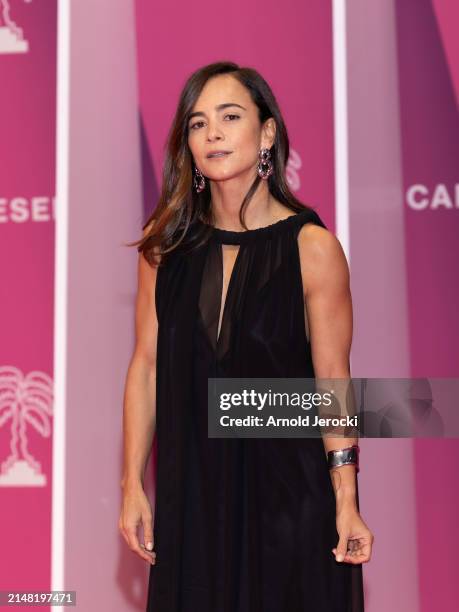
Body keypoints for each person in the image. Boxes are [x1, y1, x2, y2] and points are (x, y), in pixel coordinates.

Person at [119, 61, 374, 612]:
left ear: (266, 133)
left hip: (290, 504)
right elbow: (147, 366)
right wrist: (133, 484)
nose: (211, 132)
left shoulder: (312, 249)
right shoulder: (164, 249)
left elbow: (333, 384)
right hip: (193, 503)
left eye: (229, 116)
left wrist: (346, 501)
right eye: (196, 122)